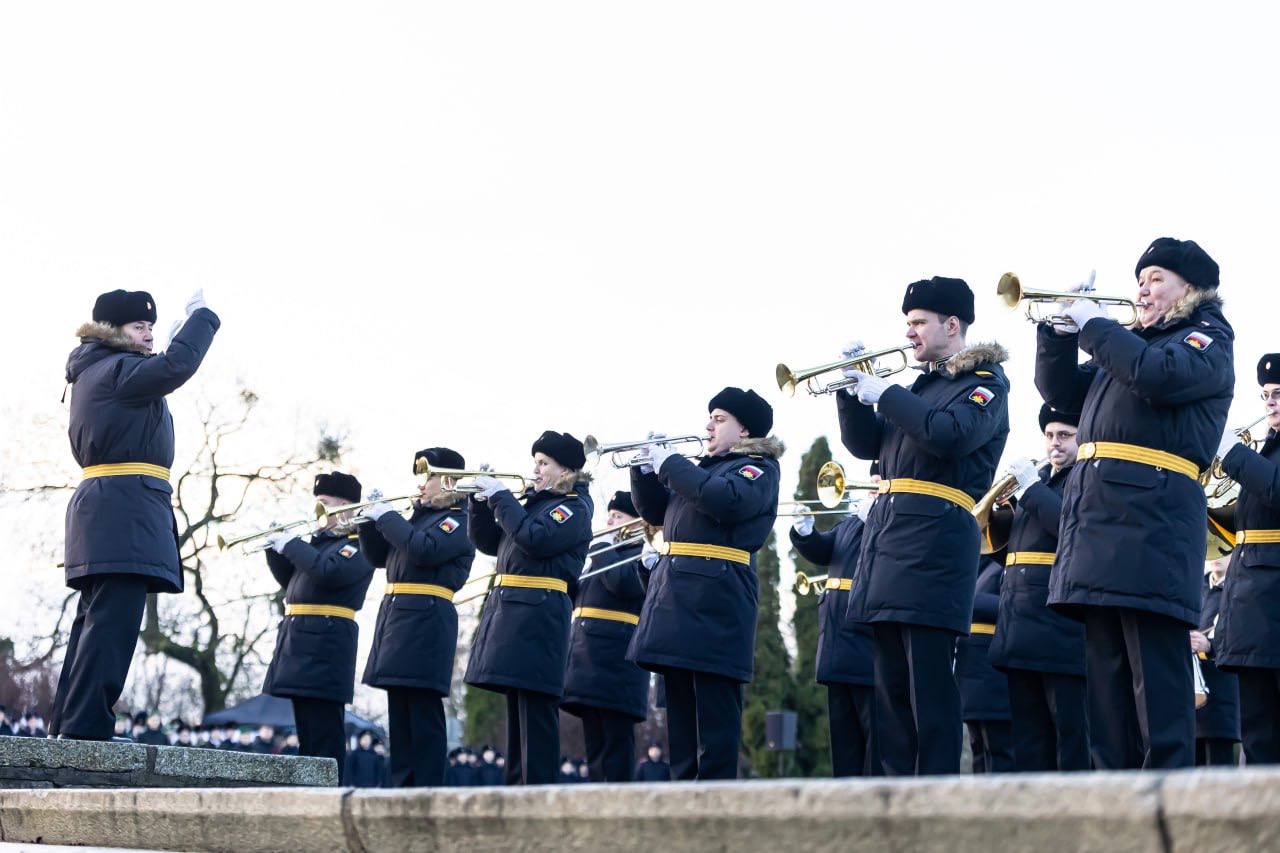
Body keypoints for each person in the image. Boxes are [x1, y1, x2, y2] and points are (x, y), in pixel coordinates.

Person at [1036, 238, 1233, 769]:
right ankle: (1114, 814)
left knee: (1158, 694)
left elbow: (1158, 376)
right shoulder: (1130, 345)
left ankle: (1169, 819)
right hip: (1099, 530)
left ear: (1189, 288)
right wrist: (1057, 336)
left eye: (1156, 280)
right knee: (1107, 692)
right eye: (1140, 280)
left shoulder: (1206, 336)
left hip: (1152, 529)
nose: (1142, 290)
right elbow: (1059, 393)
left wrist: (1096, 327)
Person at [838, 277, 1010, 775]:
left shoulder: (984, 382)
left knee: (928, 687)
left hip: (934, 542)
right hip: (891, 543)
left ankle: (935, 798)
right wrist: (852, 393)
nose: (909, 333)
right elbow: (867, 444)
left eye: (918, 322)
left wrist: (886, 392)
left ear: (951, 325)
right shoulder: (923, 386)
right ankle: (896, 802)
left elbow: (948, 436)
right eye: (907, 323)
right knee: (891, 692)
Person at [51, 289, 220, 741]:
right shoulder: (118, 370)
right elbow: (176, 366)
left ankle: (70, 722)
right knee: (113, 625)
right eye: (139, 327)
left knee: (96, 620)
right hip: (122, 511)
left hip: (111, 510)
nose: (148, 334)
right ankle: (87, 728)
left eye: (150, 327)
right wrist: (200, 319)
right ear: (113, 332)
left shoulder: (100, 370)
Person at [629, 387, 783, 780]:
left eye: (719, 419)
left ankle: (715, 808)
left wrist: (673, 464)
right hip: (677, 599)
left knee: (714, 721)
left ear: (743, 428)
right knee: (679, 719)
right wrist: (645, 472)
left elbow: (724, 500)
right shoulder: (699, 470)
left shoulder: (756, 467)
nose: (708, 426)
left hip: (718, 600)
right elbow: (655, 512)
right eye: (710, 417)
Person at [464, 431, 593, 785]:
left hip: (540, 616)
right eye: (535, 462)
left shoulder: (572, 508)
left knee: (536, 715)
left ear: (566, 470)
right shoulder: (534, 503)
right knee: (517, 713)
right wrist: (480, 503)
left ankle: (536, 794)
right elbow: (490, 542)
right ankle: (515, 792)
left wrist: (502, 497)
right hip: (514, 615)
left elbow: (534, 539)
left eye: (543, 463)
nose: (535, 470)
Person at [359, 447, 475, 787]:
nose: (421, 486)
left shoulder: (458, 520)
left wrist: (387, 517)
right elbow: (380, 557)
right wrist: (369, 523)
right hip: (398, 620)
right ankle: (401, 788)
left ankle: (426, 790)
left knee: (423, 709)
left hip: (427, 621)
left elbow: (424, 549)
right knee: (399, 710)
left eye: (429, 478)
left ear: (450, 481)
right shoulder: (417, 518)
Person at [987, 405, 1091, 772]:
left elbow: (1071, 528)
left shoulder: (1085, 477)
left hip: (1060, 627)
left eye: (1064, 435)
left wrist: (1030, 490)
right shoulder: (1041, 482)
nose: (1054, 444)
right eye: (1049, 436)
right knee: (1029, 742)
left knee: (1072, 738)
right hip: (1021, 625)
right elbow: (1017, 556)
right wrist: (1003, 517)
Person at [261, 471, 375, 784]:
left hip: (327, 645)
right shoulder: (319, 545)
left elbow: (328, 573)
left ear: (346, 506)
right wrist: (275, 549)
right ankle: (310, 792)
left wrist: (292, 544)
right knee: (307, 731)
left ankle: (329, 793)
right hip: (300, 642)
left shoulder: (359, 544)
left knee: (325, 732)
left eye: (324, 504)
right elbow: (293, 582)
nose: (318, 512)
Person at [1213, 353, 1280, 765]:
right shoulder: (1265, 450)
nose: (1271, 402)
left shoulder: (1255, 459)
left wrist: (1233, 454)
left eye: (1279, 394)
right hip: (1251, 608)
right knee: (1258, 737)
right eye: (1266, 395)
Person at [562, 491, 650, 782]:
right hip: (587, 661)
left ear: (637, 522)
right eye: (609, 514)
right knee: (595, 744)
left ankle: (619, 807)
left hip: (616, 661)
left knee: (616, 742)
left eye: (618, 515)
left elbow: (623, 584)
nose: (610, 520)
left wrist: (601, 548)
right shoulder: (601, 555)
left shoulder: (642, 552)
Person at [789, 497, 880, 776]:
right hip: (837, 643)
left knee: (876, 741)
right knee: (844, 743)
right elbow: (824, 550)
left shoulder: (893, 524)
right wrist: (805, 532)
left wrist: (876, 520)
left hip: (869, 644)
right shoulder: (849, 523)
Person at [956, 558, 1013, 773]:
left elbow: (1010, 604)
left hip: (992, 675)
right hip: (972, 676)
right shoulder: (980, 566)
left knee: (1000, 751)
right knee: (979, 748)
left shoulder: (1001, 564)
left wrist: (965, 598)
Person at [1193, 556, 1240, 766]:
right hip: (1193, 696)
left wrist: (1209, 645)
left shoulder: (1239, 588)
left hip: (1222, 696)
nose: (1215, 557)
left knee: (1218, 769)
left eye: (1222, 549)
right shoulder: (1197, 587)